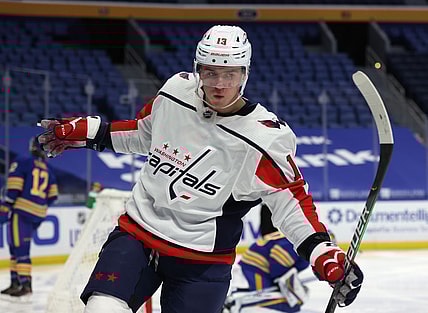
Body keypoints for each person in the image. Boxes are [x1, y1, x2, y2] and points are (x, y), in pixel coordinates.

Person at [36, 25, 363, 313]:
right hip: (138, 233)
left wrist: (322, 251)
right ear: (197, 70)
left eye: (230, 74)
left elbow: (290, 201)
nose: (219, 84)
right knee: (102, 308)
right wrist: (93, 132)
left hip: (202, 259)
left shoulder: (263, 136)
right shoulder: (175, 93)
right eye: (210, 72)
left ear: (244, 74)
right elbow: (143, 132)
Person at [0, 137, 58, 297]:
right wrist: (39, 204)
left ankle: (25, 284)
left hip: (22, 212)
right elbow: (53, 196)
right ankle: (16, 282)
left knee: (19, 248)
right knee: (17, 247)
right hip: (38, 214)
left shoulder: (23, 161)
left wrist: (6, 206)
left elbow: (14, 187)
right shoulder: (48, 169)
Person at [223, 231, 310, 313]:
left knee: (291, 301)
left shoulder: (297, 239)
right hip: (257, 267)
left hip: (257, 266)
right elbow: (278, 260)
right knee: (290, 302)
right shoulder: (297, 244)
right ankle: (235, 303)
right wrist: (281, 281)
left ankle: (235, 298)